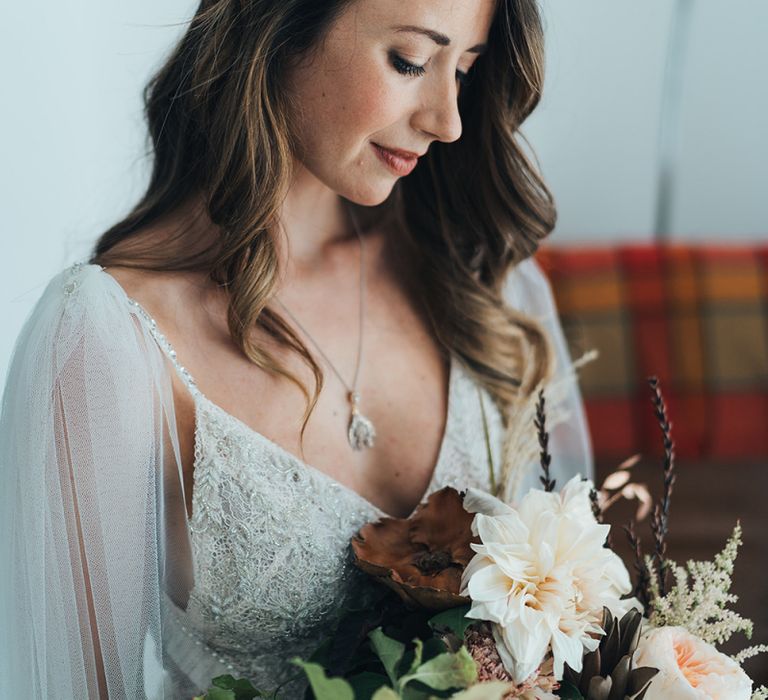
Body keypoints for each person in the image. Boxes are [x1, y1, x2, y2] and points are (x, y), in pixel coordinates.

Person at [0, 0, 593, 697]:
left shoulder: (484, 280)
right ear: (278, 31)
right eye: (409, 61)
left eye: (463, 70)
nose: (447, 118)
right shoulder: (107, 339)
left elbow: (573, 631)